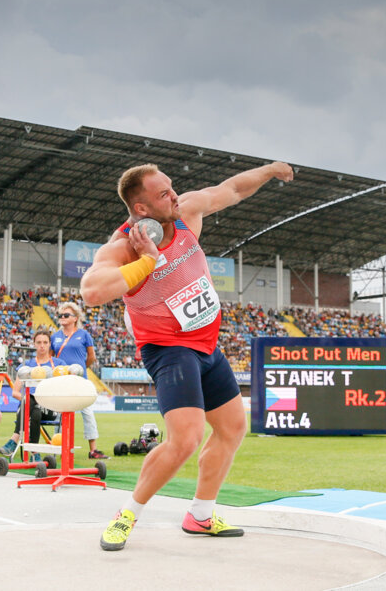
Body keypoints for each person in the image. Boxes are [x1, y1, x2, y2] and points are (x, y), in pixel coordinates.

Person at [81, 160, 294, 551]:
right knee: (186, 438)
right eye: (163, 194)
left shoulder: (185, 213)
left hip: (208, 345)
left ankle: (200, 514)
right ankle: (127, 515)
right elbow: (92, 291)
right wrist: (148, 260)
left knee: (231, 429)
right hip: (169, 350)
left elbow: (231, 190)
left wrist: (268, 171)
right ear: (141, 209)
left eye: (171, 187)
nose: (174, 196)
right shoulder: (124, 248)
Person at [50, 301, 107, 459]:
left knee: (87, 413)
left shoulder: (84, 334)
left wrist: (81, 369)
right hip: (61, 381)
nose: (62, 317)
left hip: (80, 380)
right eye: (60, 315)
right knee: (60, 415)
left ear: (75, 318)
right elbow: (51, 359)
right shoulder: (55, 336)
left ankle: (93, 450)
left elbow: (91, 357)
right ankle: (58, 448)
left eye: (66, 315)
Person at [0, 329, 59, 456]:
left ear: (49, 344)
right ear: (34, 344)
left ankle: (14, 439)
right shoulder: (27, 366)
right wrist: (30, 399)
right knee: (34, 410)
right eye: (39, 342)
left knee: (31, 400)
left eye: (45, 342)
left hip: (50, 407)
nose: (42, 345)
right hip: (29, 407)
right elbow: (15, 392)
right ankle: (34, 453)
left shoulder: (58, 365)